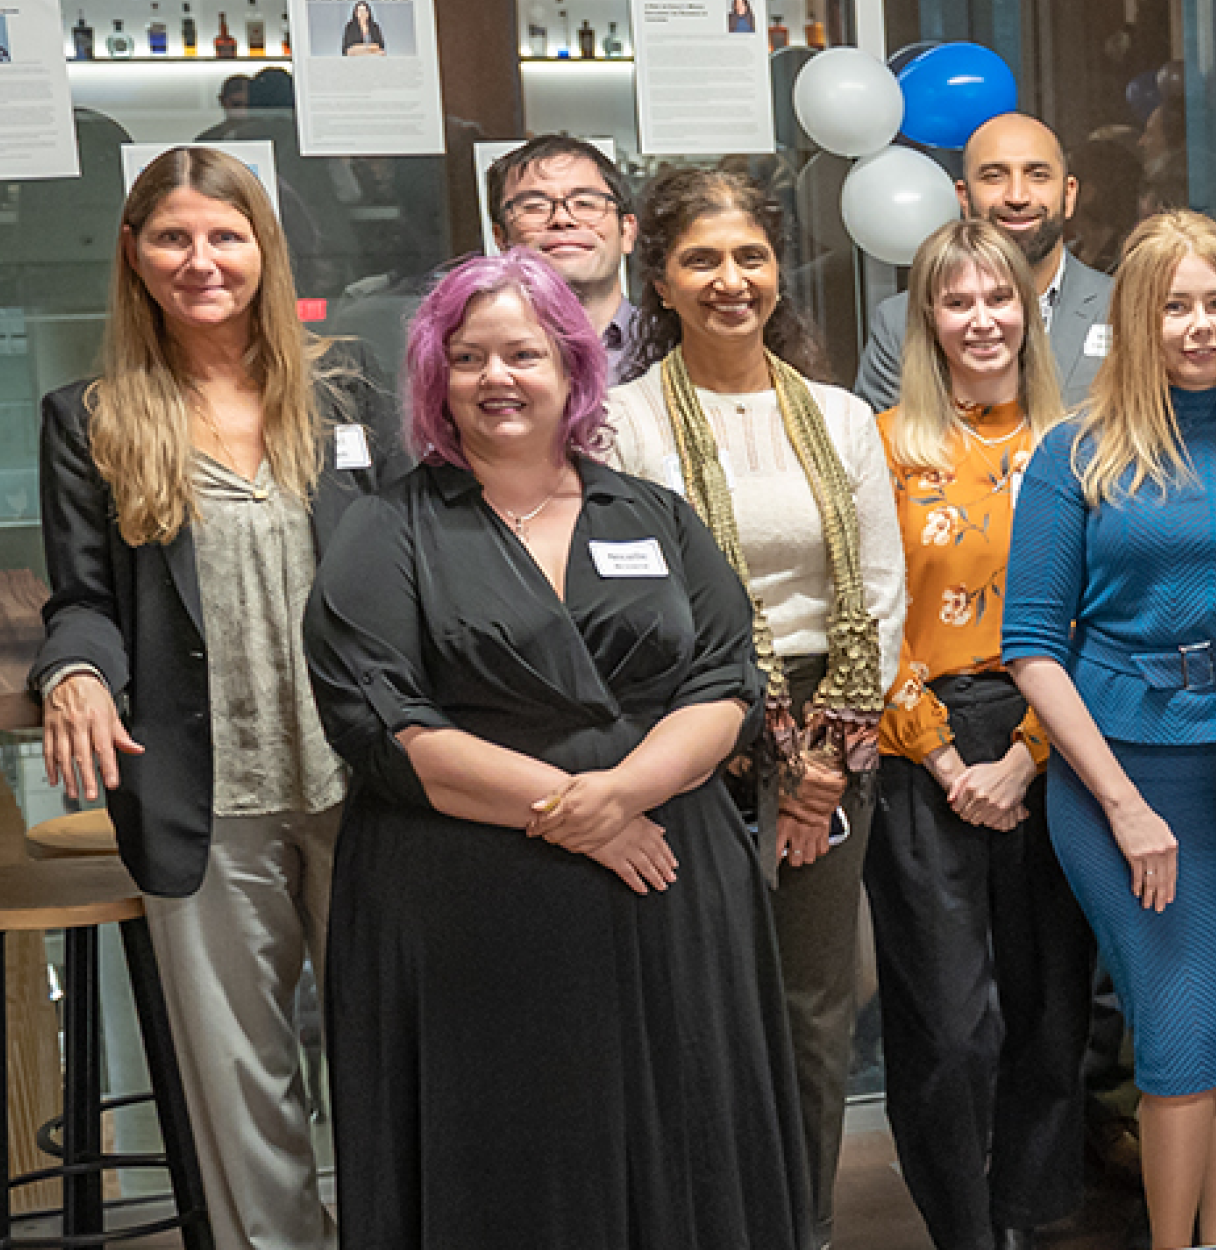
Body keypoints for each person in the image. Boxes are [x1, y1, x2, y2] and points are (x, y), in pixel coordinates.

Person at [309, 252, 806, 1249]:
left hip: (670, 890)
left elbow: (727, 680)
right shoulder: (386, 528)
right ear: (434, 379)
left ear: (573, 369)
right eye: (469, 357)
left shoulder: (652, 514)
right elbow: (380, 720)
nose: (497, 377)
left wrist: (623, 793)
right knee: (508, 1152)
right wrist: (577, 817)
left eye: (523, 354)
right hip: (471, 912)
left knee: (686, 1134)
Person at [36, 147, 405, 1250]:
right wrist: (77, 669)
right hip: (206, 790)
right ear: (135, 257)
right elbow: (84, 595)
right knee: (243, 1094)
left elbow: (407, 567)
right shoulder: (90, 415)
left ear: (264, 249)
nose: (202, 261)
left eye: (225, 236)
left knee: (387, 1058)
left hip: (365, 776)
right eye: (173, 238)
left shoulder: (346, 389)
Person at [596, 169, 905, 1245]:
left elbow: (876, 592)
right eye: (702, 261)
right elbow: (642, 600)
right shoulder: (624, 425)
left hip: (834, 732)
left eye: (751, 258)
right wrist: (758, 743)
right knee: (699, 1003)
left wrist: (819, 768)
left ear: (780, 271)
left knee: (813, 1010)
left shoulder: (841, 416)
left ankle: (802, 1223)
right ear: (661, 280)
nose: (731, 281)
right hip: (686, 729)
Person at [1002, 210, 1216, 1250]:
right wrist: (1125, 805)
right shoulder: (1075, 453)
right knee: (1180, 1036)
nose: (1200, 324)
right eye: (1176, 304)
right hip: (1122, 779)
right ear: (1136, 317)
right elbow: (1033, 646)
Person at [861, 219, 1094, 1250]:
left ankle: (1024, 1217)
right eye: (957, 301)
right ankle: (962, 1226)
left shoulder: (1080, 446)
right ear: (927, 319)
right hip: (924, 748)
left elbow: (1096, 615)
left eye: (999, 298)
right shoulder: (879, 445)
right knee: (950, 1026)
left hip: (1052, 739)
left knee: (1050, 1014)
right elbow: (866, 612)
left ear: (1029, 311)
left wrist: (1028, 753)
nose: (982, 319)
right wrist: (953, 757)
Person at [862, 114, 1116, 410]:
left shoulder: (1124, 309)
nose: (1017, 196)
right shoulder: (900, 322)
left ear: (1069, 195)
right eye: (994, 176)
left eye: (1037, 175)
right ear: (964, 198)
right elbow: (877, 450)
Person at [482, 135, 644, 377]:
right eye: (534, 206)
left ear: (627, 232)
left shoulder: (682, 347)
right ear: (500, 239)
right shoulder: (475, 359)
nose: (563, 219)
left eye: (586, 203)